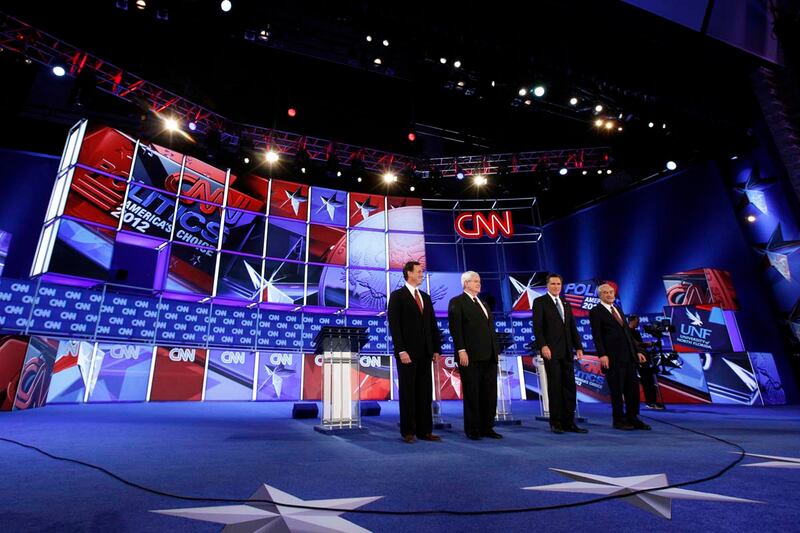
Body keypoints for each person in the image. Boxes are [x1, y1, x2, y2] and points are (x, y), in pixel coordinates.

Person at [388, 261, 443, 443]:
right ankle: (408, 431)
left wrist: (436, 348)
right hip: (407, 354)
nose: (421, 274)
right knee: (408, 392)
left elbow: (432, 325)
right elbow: (395, 326)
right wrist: (401, 350)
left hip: (426, 353)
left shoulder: (425, 297)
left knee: (425, 392)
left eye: (422, 271)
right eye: (418, 271)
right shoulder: (397, 296)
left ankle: (425, 430)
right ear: (409, 273)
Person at [447, 271, 502, 440]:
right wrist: (461, 350)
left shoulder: (483, 303)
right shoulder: (457, 302)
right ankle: (473, 429)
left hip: (489, 356)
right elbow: (456, 329)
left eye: (479, 281)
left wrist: (495, 351)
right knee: (473, 393)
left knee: (489, 394)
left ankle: (487, 427)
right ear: (465, 283)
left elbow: (489, 329)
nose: (479, 283)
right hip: (470, 356)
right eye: (475, 281)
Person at [589, 284, 651, 430]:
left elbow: (627, 333)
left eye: (611, 292)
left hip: (629, 357)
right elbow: (597, 335)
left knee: (632, 390)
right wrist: (602, 354)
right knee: (617, 390)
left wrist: (637, 351)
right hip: (613, 358)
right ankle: (618, 419)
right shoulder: (596, 311)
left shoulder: (618, 308)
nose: (609, 295)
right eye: (605, 293)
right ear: (600, 295)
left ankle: (633, 417)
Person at [532, 273, 588, 434]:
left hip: (567, 351)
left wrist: (579, 347)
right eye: (553, 284)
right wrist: (543, 346)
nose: (556, 286)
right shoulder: (540, 302)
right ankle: (556, 422)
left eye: (558, 284)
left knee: (569, 387)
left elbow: (572, 327)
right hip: (551, 351)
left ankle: (569, 422)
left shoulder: (566, 303)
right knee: (555, 387)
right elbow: (538, 327)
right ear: (547, 285)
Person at [628, 315, 665, 410]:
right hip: (636, 359)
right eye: (637, 321)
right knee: (646, 380)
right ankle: (650, 402)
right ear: (631, 321)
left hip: (644, 357)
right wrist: (649, 343)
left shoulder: (636, 332)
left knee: (649, 380)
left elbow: (640, 345)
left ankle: (653, 401)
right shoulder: (626, 332)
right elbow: (635, 344)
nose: (638, 323)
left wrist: (651, 346)